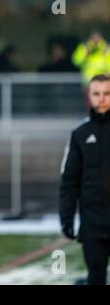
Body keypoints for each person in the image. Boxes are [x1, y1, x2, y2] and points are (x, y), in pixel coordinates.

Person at [60, 74, 110, 285]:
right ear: (89, 97)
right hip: (92, 225)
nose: (102, 98)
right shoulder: (79, 134)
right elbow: (69, 180)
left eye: (107, 93)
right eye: (96, 93)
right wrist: (67, 218)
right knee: (95, 278)